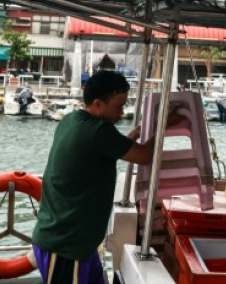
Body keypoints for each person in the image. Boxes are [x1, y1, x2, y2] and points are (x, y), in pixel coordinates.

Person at [32, 70, 156, 284]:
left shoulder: (72, 120)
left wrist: (132, 136)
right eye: (118, 106)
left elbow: (100, 153)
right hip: (65, 248)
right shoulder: (99, 132)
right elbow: (145, 156)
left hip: (78, 244)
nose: (121, 113)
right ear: (98, 104)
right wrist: (161, 126)